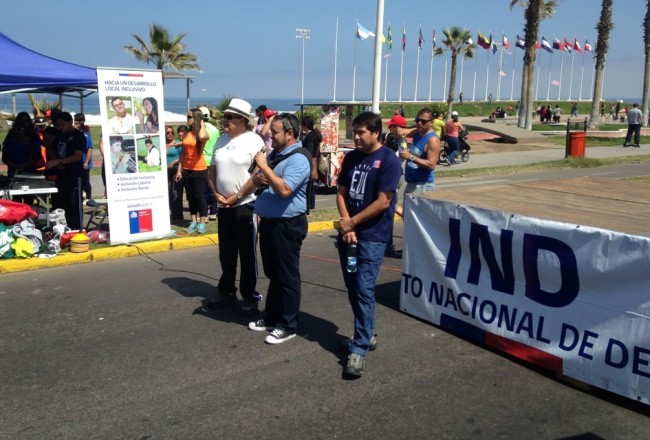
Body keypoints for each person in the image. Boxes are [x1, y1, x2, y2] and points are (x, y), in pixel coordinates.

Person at [336, 111, 402, 377]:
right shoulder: (351, 157)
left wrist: (354, 223)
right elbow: (341, 192)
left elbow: (383, 201)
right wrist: (346, 222)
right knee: (354, 287)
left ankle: (359, 347)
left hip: (373, 236)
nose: (356, 137)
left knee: (364, 287)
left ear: (376, 133)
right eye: (354, 131)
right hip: (349, 235)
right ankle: (367, 332)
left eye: (362, 132)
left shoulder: (388, 160)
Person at [247, 113, 311, 345]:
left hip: (287, 225)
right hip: (271, 222)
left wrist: (265, 166)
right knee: (274, 274)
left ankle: (288, 325)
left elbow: (285, 190)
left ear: (290, 134)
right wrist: (262, 175)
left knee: (287, 276)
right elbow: (268, 179)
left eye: (274, 132)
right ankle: (272, 317)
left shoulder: (298, 159)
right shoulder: (278, 154)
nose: (270, 136)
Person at [204, 98, 264, 316]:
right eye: (224, 117)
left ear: (243, 120)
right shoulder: (220, 140)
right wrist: (216, 193)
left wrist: (237, 196)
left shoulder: (254, 140)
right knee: (226, 252)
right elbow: (211, 170)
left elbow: (259, 173)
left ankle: (250, 295)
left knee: (247, 253)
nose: (225, 121)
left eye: (230, 118)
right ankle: (227, 291)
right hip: (224, 206)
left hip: (246, 205)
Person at [44, 112, 86, 230]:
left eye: (63, 124)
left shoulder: (78, 136)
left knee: (74, 204)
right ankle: (62, 228)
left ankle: (77, 228)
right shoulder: (59, 135)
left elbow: (77, 156)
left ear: (70, 122)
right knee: (60, 203)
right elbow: (51, 150)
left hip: (74, 175)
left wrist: (60, 161)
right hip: (60, 175)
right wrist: (55, 160)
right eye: (58, 125)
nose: (61, 127)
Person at [176, 108, 210, 234]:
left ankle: (202, 222)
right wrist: (179, 170)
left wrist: (201, 124)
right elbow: (183, 153)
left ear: (196, 118)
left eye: (190, 117)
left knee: (199, 196)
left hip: (199, 169)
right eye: (187, 116)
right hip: (187, 169)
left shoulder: (202, 133)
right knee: (190, 197)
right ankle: (193, 221)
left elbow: (202, 136)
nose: (188, 119)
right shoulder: (187, 134)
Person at [398, 108, 440, 191]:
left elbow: (431, 165)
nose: (419, 123)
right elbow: (401, 131)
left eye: (423, 121)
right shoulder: (417, 132)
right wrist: (399, 131)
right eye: (417, 120)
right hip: (412, 183)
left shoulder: (433, 140)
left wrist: (410, 157)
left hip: (422, 185)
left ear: (431, 123)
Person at [1, 112, 41, 178]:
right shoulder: (11, 135)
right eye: (22, 121)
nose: (25, 123)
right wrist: (14, 165)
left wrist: (25, 165)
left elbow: (37, 155)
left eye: (27, 121)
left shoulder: (33, 136)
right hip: (13, 169)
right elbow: (5, 155)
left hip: (29, 170)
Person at [199, 106, 220, 221]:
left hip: (202, 161)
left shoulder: (200, 129)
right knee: (212, 187)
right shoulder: (215, 130)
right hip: (213, 161)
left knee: (203, 189)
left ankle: (205, 212)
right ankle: (213, 211)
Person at [300, 116, 323, 210]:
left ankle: (309, 204)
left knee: (309, 184)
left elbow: (309, 150)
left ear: (305, 125)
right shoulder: (314, 134)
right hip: (313, 159)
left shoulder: (310, 136)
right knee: (311, 184)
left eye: (302, 124)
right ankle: (311, 203)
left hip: (310, 161)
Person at [165, 125, 184, 224]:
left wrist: (173, 163)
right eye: (167, 133)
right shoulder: (162, 144)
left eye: (172, 132)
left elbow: (183, 156)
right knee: (168, 193)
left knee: (176, 193)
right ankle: (172, 214)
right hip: (165, 172)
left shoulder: (177, 143)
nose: (170, 134)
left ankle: (179, 216)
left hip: (176, 171)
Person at [73, 113, 93, 200]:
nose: (75, 125)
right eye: (74, 122)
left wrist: (86, 163)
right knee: (78, 182)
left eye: (77, 123)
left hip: (84, 162)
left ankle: (89, 197)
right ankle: (79, 197)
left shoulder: (86, 135)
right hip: (76, 162)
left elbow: (89, 149)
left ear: (82, 122)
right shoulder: (73, 133)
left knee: (85, 181)